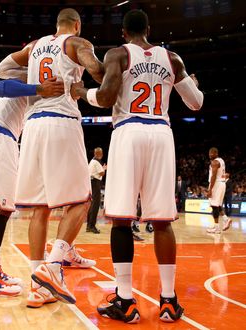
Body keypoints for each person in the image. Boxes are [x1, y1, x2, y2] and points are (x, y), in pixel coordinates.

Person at [71, 9, 203, 323]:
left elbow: (105, 97)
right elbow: (196, 102)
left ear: (123, 33)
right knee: (162, 221)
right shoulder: (172, 59)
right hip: (161, 133)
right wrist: (190, 83)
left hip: (129, 132)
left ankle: (126, 301)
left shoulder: (119, 54)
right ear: (148, 29)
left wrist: (81, 92)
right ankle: (169, 301)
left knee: (120, 219)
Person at [0, 8, 104, 306]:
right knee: (83, 200)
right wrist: (93, 81)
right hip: (61, 122)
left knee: (39, 209)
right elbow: (96, 69)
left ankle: (37, 286)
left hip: (32, 128)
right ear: (77, 25)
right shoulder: (77, 43)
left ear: (56, 25)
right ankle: (53, 267)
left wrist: (34, 86)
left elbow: (0, 72)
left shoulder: (33, 47)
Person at [0, 77, 65, 297]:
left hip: (5, 137)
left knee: (4, 208)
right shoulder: (31, 77)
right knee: (1, 207)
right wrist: (38, 87)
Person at [206, 148, 232, 234]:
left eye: (211, 153)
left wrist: (210, 189)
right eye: (209, 153)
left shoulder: (215, 162)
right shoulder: (221, 160)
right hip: (221, 183)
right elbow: (223, 173)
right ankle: (226, 219)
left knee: (214, 206)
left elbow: (213, 176)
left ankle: (217, 228)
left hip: (216, 184)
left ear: (216, 153)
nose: (210, 155)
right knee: (217, 205)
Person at [87, 147, 106, 234]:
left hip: (92, 182)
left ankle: (89, 225)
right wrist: (104, 169)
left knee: (92, 204)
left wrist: (102, 168)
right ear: (99, 154)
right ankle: (91, 226)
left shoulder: (92, 161)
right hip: (95, 183)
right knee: (95, 205)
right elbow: (102, 173)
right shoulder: (96, 162)